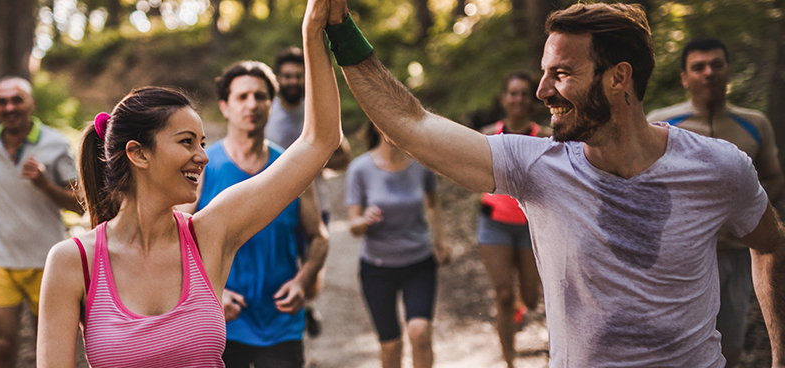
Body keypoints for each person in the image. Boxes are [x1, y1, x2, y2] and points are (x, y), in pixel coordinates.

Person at [322, 1, 784, 367]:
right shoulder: (537, 166)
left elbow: (770, 244)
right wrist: (340, 28)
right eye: (544, 72)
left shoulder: (719, 168)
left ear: (618, 77)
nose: (543, 91)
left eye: (561, 74)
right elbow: (411, 123)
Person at [34, 0, 344, 364]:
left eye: (202, 142)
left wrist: (312, 32)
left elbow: (319, 140)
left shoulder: (210, 235)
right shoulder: (74, 262)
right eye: (186, 142)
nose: (203, 156)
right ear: (139, 153)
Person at [175, 60, 329, 368]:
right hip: (220, 322)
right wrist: (210, 293)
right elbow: (174, 240)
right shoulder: (203, 167)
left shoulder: (292, 168)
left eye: (261, 96)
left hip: (281, 322)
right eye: (242, 96)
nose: (252, 104)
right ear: (225, 106)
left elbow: (318, 238)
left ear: (272, 105)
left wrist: (303, 280)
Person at [647, 36, 785, 368]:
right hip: (679, 260)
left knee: (730, 353)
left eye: (716, 65)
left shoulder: (754, 124)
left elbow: (774, 176)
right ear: (684, 77)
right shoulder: (660, 124)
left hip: (735, 257)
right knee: (675, 352)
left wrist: (749, 214)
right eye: (698, 67)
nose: (708, 73)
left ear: (728, 72)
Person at [0, 76, 83, 368]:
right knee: (2, 345)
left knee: (50, 349)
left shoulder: (55, 143)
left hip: (46, 261)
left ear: (32, 104)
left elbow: (80, 204)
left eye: (17, 99)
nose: (10, 107)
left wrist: (44, 184)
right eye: (2, 101)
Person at [265, 46, 351, 338]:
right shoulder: (265, 112)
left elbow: (344, 157)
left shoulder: (317, 109)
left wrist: (309, 160)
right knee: (281, 262)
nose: (292, 81)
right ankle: (285, 314)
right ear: (278, 78)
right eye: (287, 76)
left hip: (315, 201)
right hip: (274, 204)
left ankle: (308, 304)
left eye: (298, 76)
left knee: (312, 266)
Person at [346, 124, 448, 368]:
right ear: (375, 123)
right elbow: (353, 225)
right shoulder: (360, 169)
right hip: (377, 268)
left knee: (420, 332)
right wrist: (365, 220)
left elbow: (433, 204)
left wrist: (440, 242)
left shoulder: (421, 164)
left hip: (419, 263)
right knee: (391, 346)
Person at [476, 72, 549, 368]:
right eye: (512, 93)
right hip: (494, 223)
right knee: (504, 296)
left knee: (530, 300)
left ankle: (520, 308)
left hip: (531, 226)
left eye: (523, 94)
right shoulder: (487, 135)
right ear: (503, 99)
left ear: (531, 100)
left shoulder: (544, 136)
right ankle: (510, 362)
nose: (517, 99)